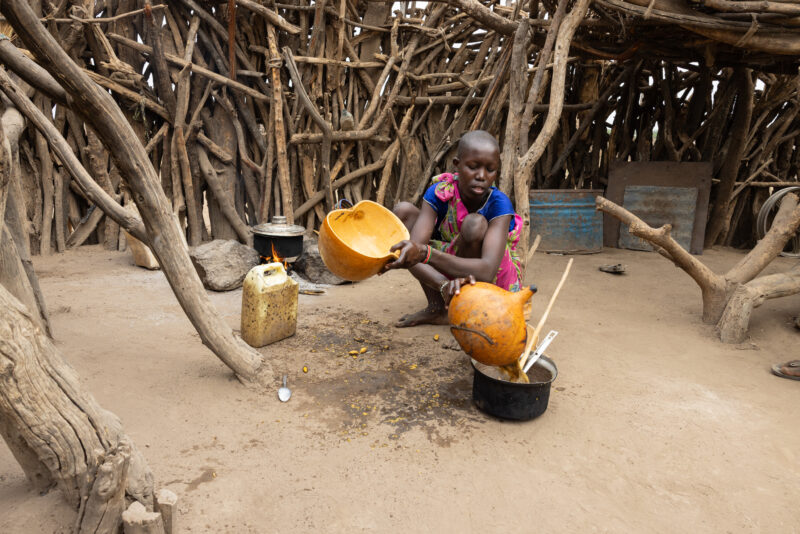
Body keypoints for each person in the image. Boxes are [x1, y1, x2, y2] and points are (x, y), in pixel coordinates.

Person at [383, 130, 523, 327]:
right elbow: (413, 249)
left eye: (490, 170)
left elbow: (487, 270)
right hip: (452, 264)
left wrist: (425, 253)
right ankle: (438, 308)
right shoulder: (441, 193)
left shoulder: (499, 204)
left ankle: (468, 313)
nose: (481, 176)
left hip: (492, 277)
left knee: (474, 225)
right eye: (473, 167)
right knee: (403, 212)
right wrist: (443, 284)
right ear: (457, 165)